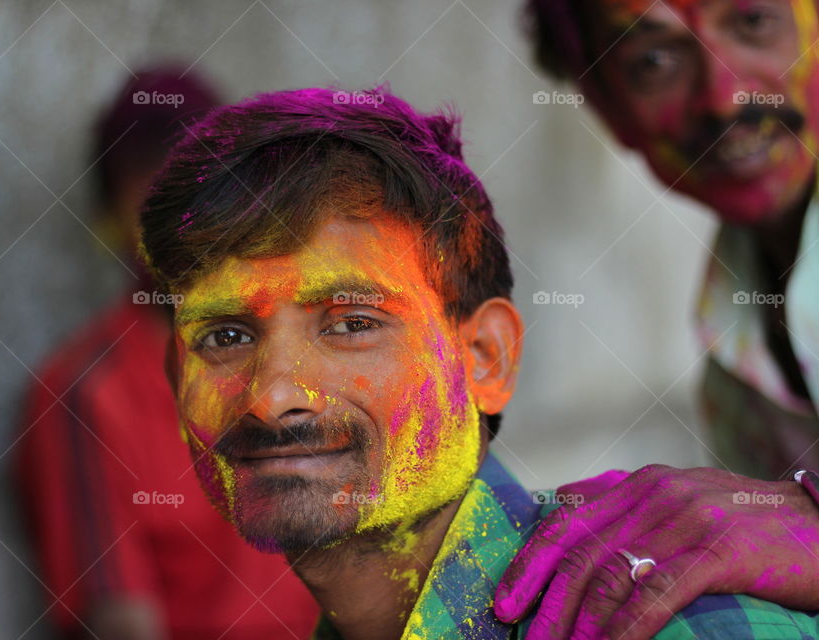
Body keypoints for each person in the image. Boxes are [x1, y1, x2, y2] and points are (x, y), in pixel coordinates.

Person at [138, 85, 819, 639]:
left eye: (351, 324)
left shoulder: (667, 624)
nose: (272, 396)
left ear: (484, 358)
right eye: (224, 337)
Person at [488, 2, 819, 637]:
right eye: (653, 61)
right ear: (608, 111)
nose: (724, 98)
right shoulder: (734, 349)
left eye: (753, 22)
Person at [13, 67, 319, 640]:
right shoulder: (86, 393)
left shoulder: (304, 361)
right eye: (148, 188)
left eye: (208, 184)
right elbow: (121, 621)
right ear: (112, 215)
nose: (181, 217)